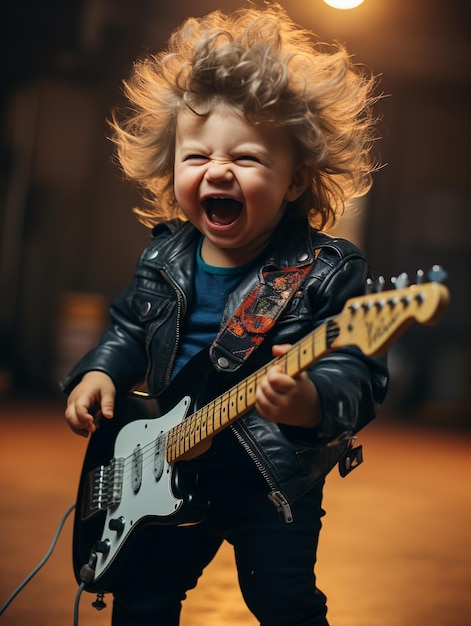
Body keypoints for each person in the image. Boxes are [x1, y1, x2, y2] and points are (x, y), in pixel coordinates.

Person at [62, 4, 389, 625]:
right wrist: (98, 373)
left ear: (295, 181)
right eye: (196, 157)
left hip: (269, 476)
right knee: (142, 601)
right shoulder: (164, 254)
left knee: (284, 600)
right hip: (165, 461)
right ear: (172, 165)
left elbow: (355, 371)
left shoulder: (325, 268)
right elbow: (129, 327)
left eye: (245, 158)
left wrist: (309, 402)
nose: (216, 170)